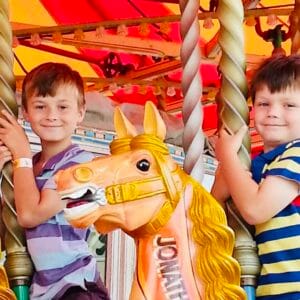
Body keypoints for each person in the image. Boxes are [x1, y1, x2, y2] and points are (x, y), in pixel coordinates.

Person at [0, 62, 110, 300]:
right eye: (40, 106)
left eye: (62, 107)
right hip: (42, 289)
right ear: (26, 113)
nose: (51, 116)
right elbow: (5, 228)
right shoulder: (29, 168)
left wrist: (21, 154)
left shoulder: (81, 165)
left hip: (75, 285)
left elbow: (30, 215)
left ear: (80, 113)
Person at [211, 54, 300, 299]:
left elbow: (255, 209)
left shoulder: (297, 155)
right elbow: (213, 208)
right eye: (263, 103)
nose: (273, 113)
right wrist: (229, 170)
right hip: (274, 289)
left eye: (289, 105)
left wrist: (227, 155)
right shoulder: (258, 162)